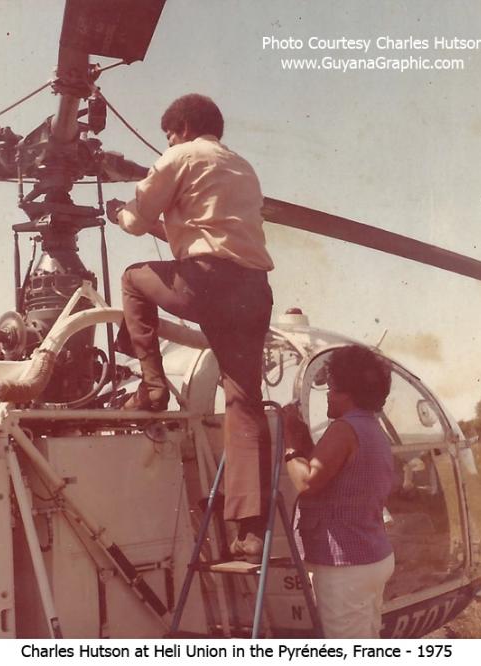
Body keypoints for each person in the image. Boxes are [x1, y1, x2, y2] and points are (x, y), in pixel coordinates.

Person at [106, 94, 274, 560]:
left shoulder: (178, 157)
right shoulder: (240, 167)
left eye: (168, 135)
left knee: (132, 278)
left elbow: (135, 222)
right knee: (243, 401)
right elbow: (203, 231)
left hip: (207, 283)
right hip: (254, 291)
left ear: (181, 128)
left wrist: (117, 211)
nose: (167, 142)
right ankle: (250, 531)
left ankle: (152, 385)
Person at [282, 345, 395, 638]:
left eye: (332, 389)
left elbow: (307, 483)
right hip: (371, 556)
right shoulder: (371, 428)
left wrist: (290, 443)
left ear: (348, 393)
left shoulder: (344, 429)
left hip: (345, 567)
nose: (328, 396)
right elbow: (332, 472)